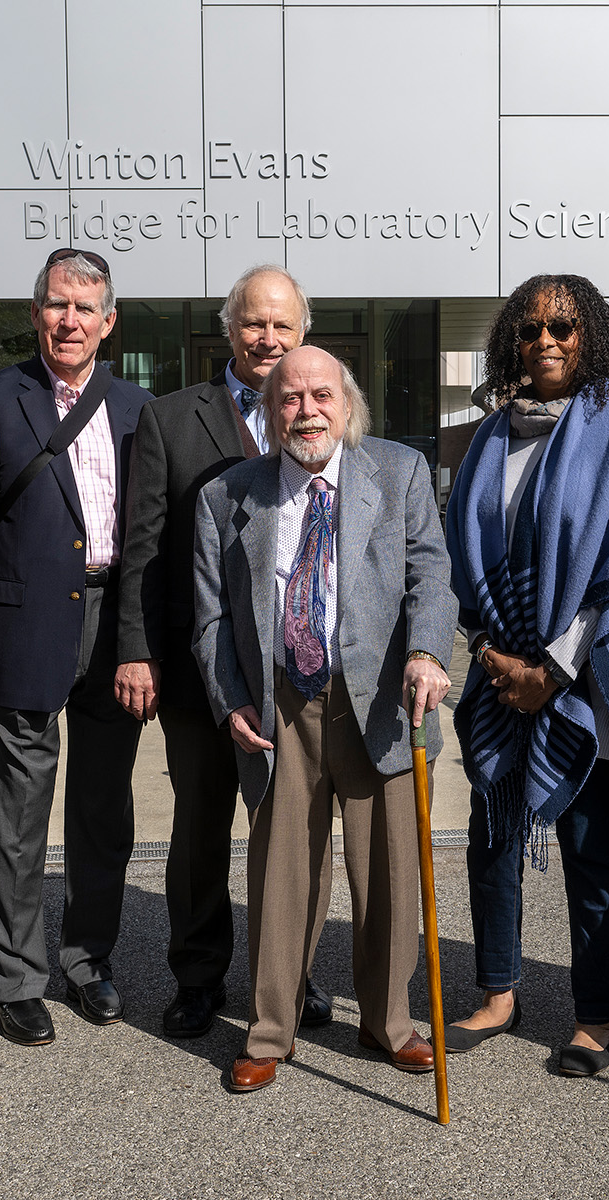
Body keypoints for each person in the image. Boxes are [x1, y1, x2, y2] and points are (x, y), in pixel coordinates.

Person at [192, 345, 455, 1094]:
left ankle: (388, 1022)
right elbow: (210, 620)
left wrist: (431, 651)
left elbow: (431, 575)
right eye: (289, 398)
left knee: (389, 873)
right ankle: (270, 1031)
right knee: (281, 873)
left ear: (347, 405)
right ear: (270, 410)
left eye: (320, 396)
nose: (305, 410)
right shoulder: (227, 495)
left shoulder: (397, 472)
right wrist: (231, 699)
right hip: (281, 702)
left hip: (381, 701)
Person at [443, 274, 609, 1078]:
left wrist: (555, 668)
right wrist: (489, 653)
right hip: (500, 671)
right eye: (531, 328)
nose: (546, 341)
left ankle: (597, 1018)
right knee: (493, 836)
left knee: (587, 846)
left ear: (592, 335)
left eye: (564, 327)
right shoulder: (489, 435)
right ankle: (499, 993)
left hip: (582, 679)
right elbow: (465, 557)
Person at [114, 264, 333, 1038]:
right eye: (253, 322)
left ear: (301, 332)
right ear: (227, 328)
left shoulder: (326, 410)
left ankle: (290, 979)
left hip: (296, 672)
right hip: (200, 668)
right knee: (201, 829)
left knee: (291, 833)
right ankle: (199, 980)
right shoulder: (170, 419)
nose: (267, 338)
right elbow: (142, 547)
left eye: (282, 324)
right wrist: (136, 650)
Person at [0, 249, 151, 1046]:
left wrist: (150, 644)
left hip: (118, 625)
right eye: (56, 305)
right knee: (18, 811)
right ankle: (15, 977)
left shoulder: (142, 408)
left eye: (86, 308)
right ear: (35, 311)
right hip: (25, 622)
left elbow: (154, 538)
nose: (69, 321)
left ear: (109, 323)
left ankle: (87, 961)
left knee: (104, 809)